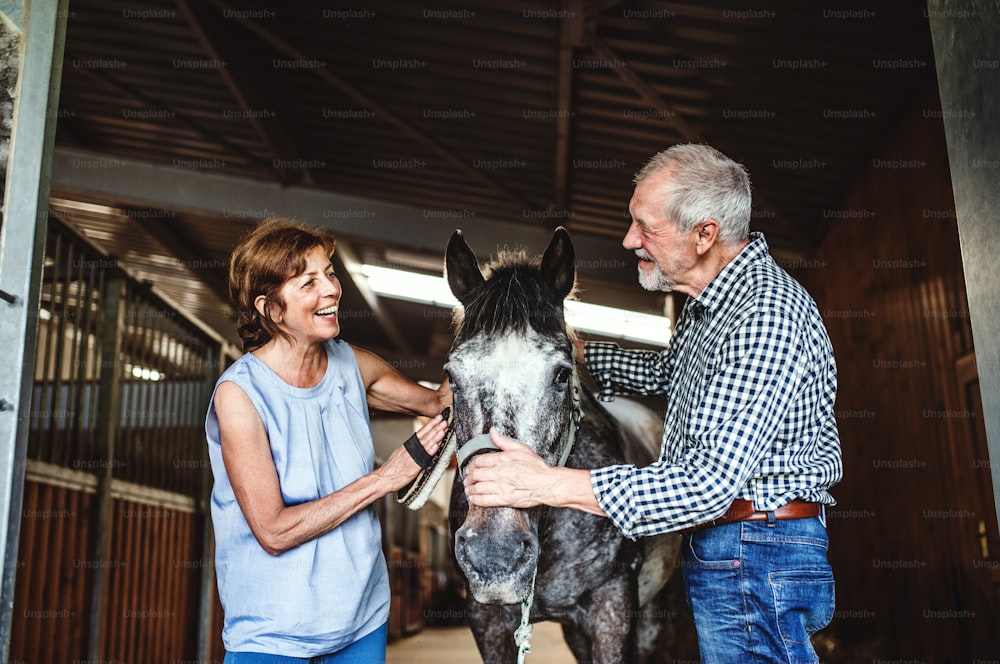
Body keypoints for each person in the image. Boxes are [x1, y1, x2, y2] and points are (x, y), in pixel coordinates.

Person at [463, 143, 843, 663]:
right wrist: (563, 357)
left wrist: (547, 483)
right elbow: (667, 375)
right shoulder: (710, 310)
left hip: (758, 549)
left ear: (704, 234)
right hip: (734, 546)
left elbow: (705, 485)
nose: (628, 240)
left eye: (646, 226)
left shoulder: (764, 317)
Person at [205, 219, 451, 663]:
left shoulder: (351, 364)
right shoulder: (240, 395)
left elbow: (437, 403)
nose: (332, 289)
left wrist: (486, 332)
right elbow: (274, 531)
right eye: (308, 282)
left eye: (331, 273)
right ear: (271, 309)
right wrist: (386, 478)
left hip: (360, 619)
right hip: (273, 632)